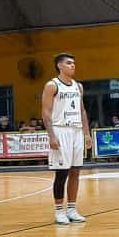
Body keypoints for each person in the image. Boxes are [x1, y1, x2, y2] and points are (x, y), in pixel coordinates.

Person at [41, 53, 92, 225]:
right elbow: (46, 112)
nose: (73, 66)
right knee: (61, 173)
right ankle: (59, 211)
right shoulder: (52, 85)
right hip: (60, 129)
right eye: (69, 63)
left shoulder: (79, 86)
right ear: (59, 66)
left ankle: (71, 208)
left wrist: (86, 133)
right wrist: (51, 135)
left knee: (75, 171)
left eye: (74, 63)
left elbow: (82, 111)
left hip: (76, 130)